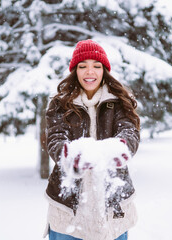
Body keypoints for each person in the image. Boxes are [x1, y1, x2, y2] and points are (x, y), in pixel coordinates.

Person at [43, 39, 140, 240]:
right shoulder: (60, 103)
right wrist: (70, 156)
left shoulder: (119, 101)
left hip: (112, 198)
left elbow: (129, 131)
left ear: (104, 70)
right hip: (68, 202)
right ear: (74, 70)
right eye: (83, 66)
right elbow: (55, 138)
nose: (90, 72)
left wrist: (119, 149)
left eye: (96, 66)